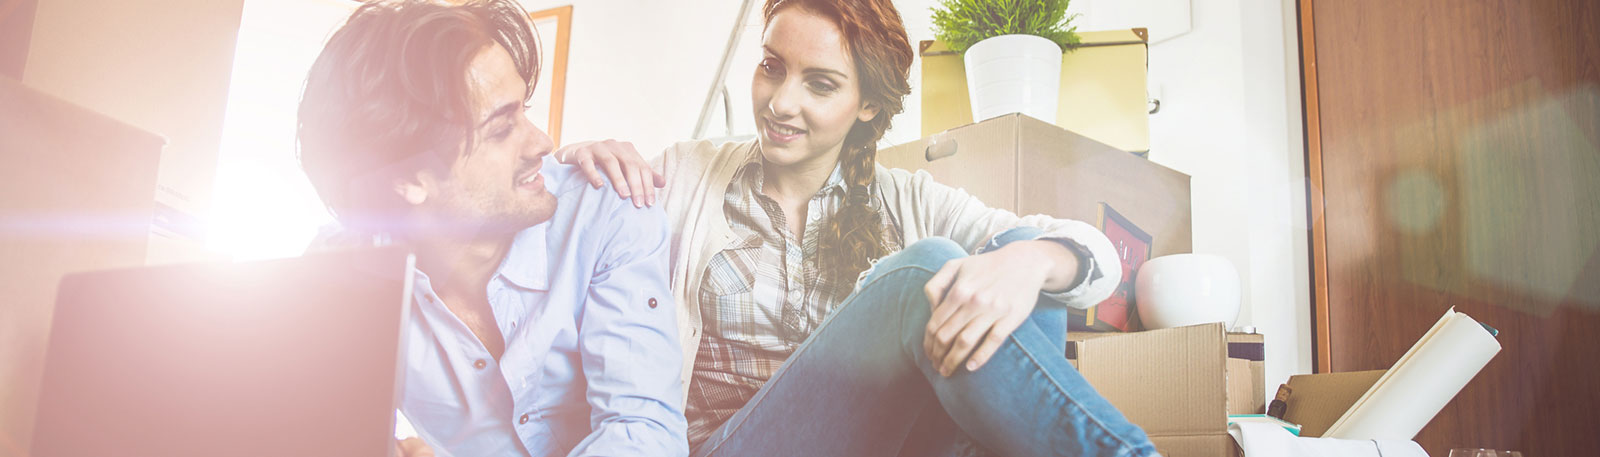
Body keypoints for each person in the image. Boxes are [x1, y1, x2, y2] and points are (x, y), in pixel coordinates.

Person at [557, 0, 1160, 455]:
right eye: (772, 67)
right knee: (927, 268)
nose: (780, 103)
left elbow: (1099, 261)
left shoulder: (905, 197)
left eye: (819, 84)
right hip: (730, 446)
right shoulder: (684, 176)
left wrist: (1031, 261)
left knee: (1018, 268)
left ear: (868, 104)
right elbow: (561, 243)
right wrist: (578, 159)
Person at [296, 1, 686, 455]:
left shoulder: (607, 210)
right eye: (502, 130)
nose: (543, 142)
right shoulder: (343, 275)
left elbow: (644, 434)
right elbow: (328, 431)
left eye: (524, 110)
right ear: (409, 181)